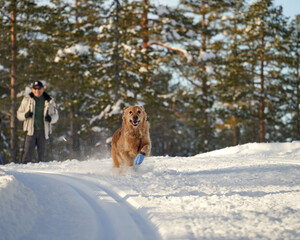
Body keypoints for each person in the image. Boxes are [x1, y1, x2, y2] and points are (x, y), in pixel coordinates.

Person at [17, 81, 59, 163]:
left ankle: (41, 174)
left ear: (43, 89)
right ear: (32, 89)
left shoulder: (49, 100)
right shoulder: (27, 100)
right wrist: (25, 115)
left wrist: (50, 119)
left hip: (44, 131)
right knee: (27, 156)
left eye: (39, 88)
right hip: (30, 131)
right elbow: (19, 114)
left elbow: (56, 116)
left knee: (42, 157)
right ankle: (24, 172)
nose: (37, 91)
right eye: (35, 89)